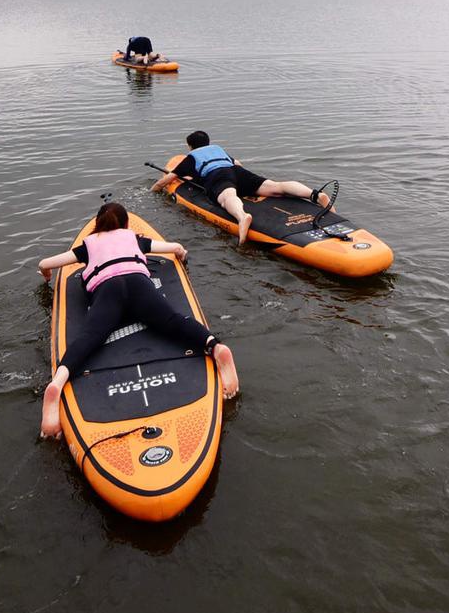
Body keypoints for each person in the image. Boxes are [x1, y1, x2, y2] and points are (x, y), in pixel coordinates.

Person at [36, 201, 238, 438]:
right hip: (138, 284)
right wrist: (182, 255)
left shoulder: (87, 246)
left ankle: (57, 384)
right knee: (172, 321)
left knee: (90, 337)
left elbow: (45, 263)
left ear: (98, 225)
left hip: (108, 289)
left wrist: (46, 274)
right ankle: (215, 346)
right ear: (126, 224)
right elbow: (175, 247)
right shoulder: (133, 238)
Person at [152, 130, 331, 245]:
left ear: (190, 146)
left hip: (218, 176)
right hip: (238, 172)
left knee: (227, 197)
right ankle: (314, 194)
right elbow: (237, 163)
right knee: (276, 186)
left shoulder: (191, 157)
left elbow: (166, 180)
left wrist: (153, 191)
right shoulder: (217, 149)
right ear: (208, 142)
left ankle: (242, 216)